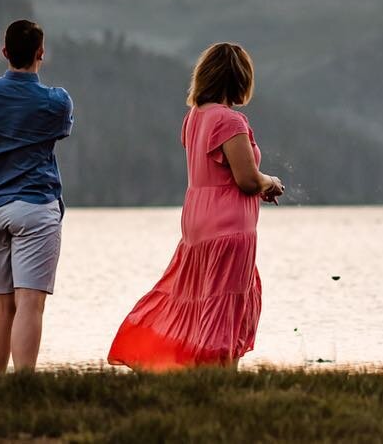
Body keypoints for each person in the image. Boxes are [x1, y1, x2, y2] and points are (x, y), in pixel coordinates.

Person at [108, 42, 284, 369]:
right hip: (229, 226)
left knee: (200, 301)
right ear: (240, 79)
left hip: (197, 222)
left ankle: (185, 367)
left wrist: (257, 183)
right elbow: (246, 179)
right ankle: (218, 377)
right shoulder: (230, 121)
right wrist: (269, 182)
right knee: (223, 306)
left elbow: (219, 170)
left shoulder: (194, 118)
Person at [0, 19, 74, 374]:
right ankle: (23, 383)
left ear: (4, 52)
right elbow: (59, 130)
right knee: (30, 304)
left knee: (3, 306)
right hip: (36, 207)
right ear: (41, 53)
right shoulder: (56, 102)